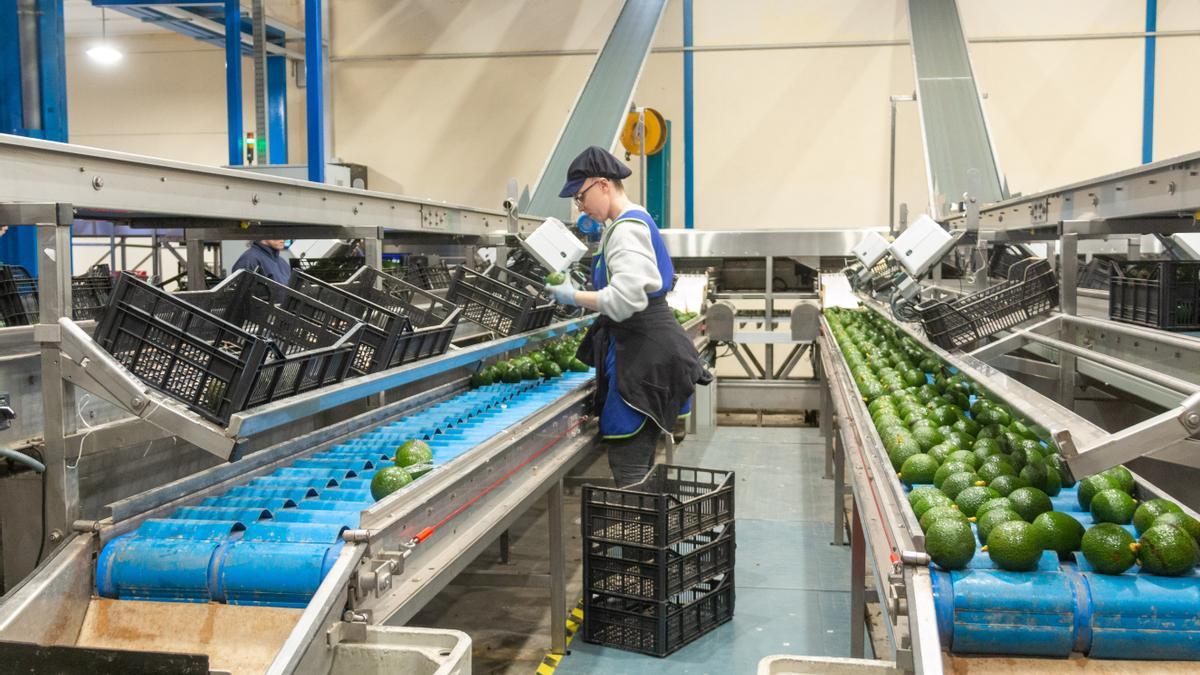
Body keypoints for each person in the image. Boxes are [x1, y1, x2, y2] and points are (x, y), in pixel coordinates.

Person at [547, 146, 711, 487]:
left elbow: (624, 300)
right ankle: (644, 532)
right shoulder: (627, 222)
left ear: (603, 185)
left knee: (629, 465)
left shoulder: (625, 229)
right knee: (638, 462)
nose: (581, 206)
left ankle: (637, 535)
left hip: (642, 355)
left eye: (581, 196)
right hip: (643, 347)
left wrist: (573, 295)